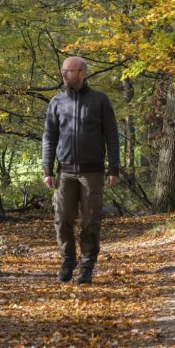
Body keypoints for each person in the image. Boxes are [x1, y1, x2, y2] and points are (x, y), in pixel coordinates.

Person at [42, 56, 120, 284]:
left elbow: (112, 136)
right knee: (62, 219)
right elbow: (49, 137)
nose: (64, 74)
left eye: (69, 70)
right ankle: (68, 261)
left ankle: (86, 266)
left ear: (83, 73)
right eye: (63, 70)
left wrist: (113, 168)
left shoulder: (100, 101)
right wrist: (47, 169)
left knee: (91, 221)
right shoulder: (56, 102)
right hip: (64, 172)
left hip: (92, 173)